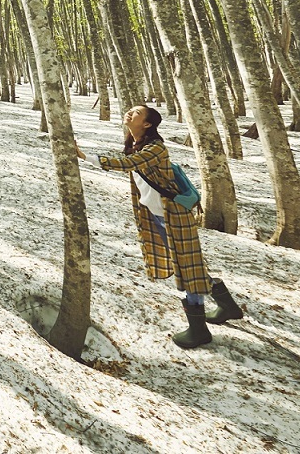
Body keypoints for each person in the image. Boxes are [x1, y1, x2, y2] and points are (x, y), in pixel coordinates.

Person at [92, 104, 243, 348]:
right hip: (156, 214)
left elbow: (127, 164)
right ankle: (228, 307)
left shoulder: (154, 148)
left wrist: (85, 157)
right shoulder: (134, 144)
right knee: (188, 266)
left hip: (173, 214)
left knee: (187, 272)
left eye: (137, 113)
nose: (130, 113)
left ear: (148, 124)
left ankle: (199, 330)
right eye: (130, 110)